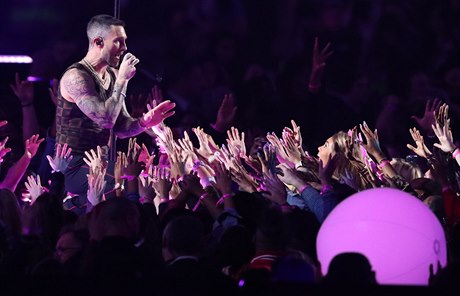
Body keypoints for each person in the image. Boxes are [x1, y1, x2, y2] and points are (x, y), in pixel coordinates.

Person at [55, 14, 175, 211]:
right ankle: (72, 203)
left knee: (154, 177)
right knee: (131, 180)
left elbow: (120, 127)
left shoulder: (111, 75)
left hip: (100, 163)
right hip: (73, 165)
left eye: (125, 41)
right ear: (98, 42)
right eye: (119, 41)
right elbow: (106, 120)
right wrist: (123, 81)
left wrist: (145, 122)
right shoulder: (76, 77)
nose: (125, 48)